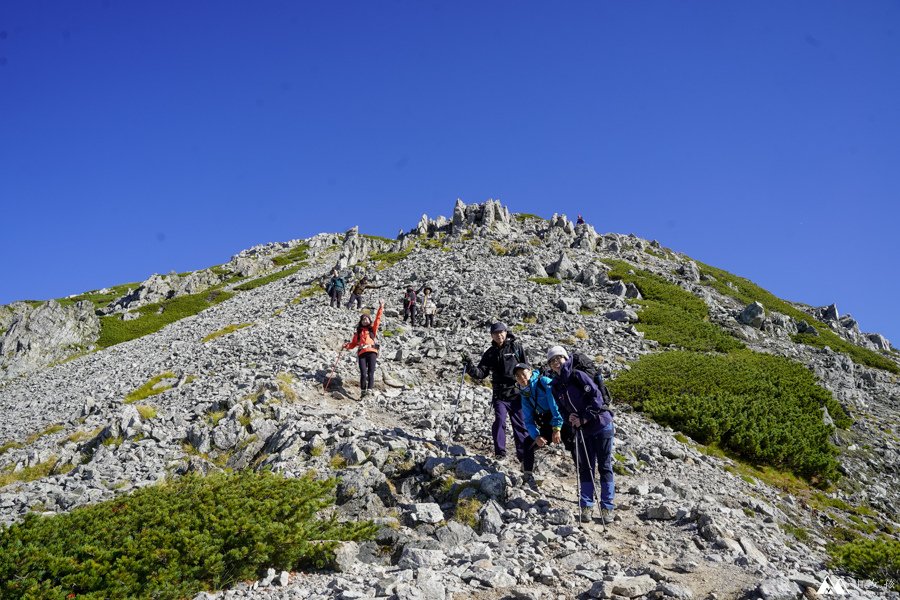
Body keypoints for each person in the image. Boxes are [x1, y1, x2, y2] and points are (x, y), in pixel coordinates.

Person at [545, 345, 615, 524]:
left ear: (565, 358)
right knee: (585, 467)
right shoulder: (555, 386)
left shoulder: (578, 375)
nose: (556, 363)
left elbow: (597, 399)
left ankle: (607, 508)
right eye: (552, 361)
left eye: (558, 358)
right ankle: (586, 506)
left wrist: (583, 418)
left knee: (604, 466)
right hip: (583, 430)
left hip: (601, 424)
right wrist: (571, 420)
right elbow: (562, 410)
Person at [463, 322, 529, 464]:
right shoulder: (490, 353)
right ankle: (500, 454)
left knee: (520, 425)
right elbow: (481, 374)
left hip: (517, 393)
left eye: (501, 332)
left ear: (506, 332)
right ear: (491, 335)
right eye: (496, 333)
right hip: (499, 394)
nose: (499, 335)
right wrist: (469, 367)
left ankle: (524, 457)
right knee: (499, 421)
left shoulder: (516, 347)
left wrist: (527, 385)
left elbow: (526, 367)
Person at [513, 363, 563, 483]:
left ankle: (585, 481)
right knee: (528, 443)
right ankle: (527, 476)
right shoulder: (524, 394)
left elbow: (555, 406)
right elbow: (528, 420)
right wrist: (536, 436)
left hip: (563, 421)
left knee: (575, 448)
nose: (521, 378)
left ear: (530, 372)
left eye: (523, 374)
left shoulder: (544, 382)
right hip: (547, 423)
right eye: (518, 376)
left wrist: (556, 429)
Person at [343, 300, 385, 398]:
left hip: (372, 352)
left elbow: (377, 320)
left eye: (367, 319)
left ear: (369, 321)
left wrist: (381, 307)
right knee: (363, 372)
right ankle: (363, 391)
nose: (365, 320)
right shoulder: (358, 333)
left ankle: (369, 391)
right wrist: (346, 346)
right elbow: (353, 344)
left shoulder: (372, 330)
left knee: (370, 372)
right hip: (361, 353)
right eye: (363, 319)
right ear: (361, 322)